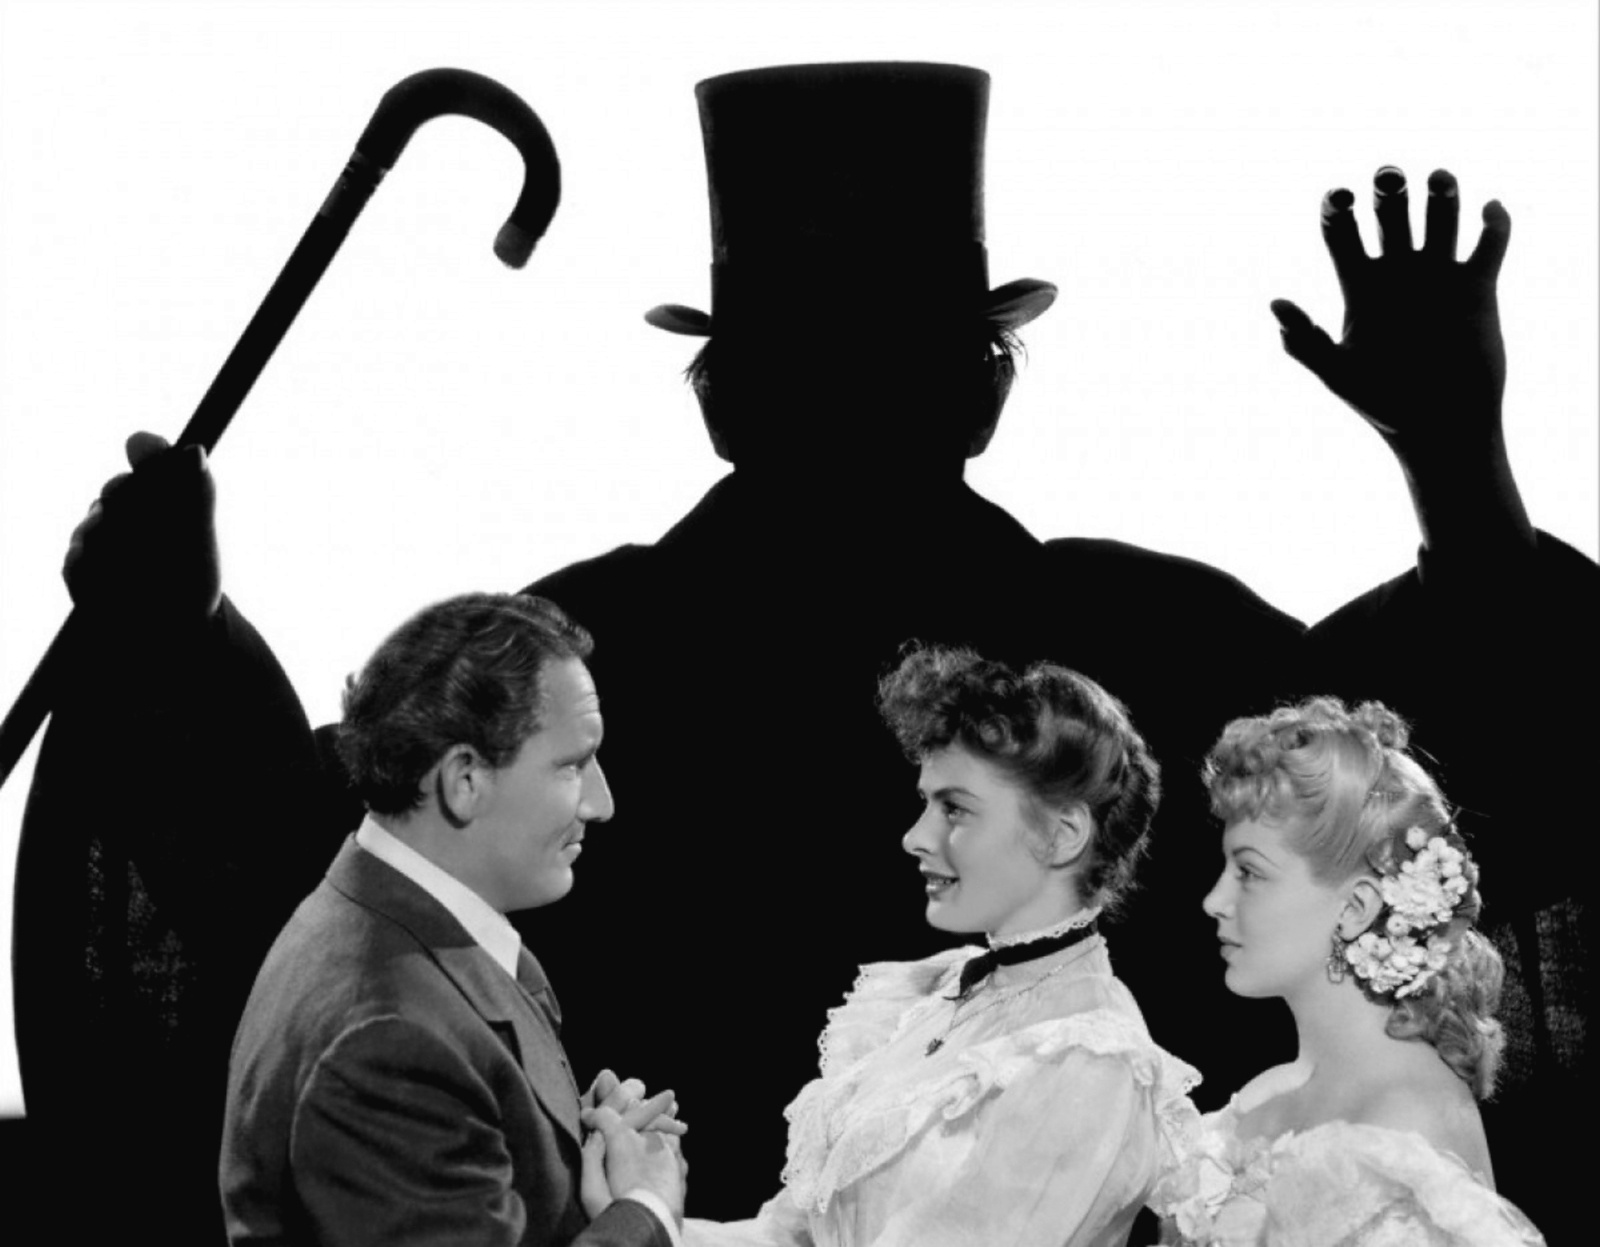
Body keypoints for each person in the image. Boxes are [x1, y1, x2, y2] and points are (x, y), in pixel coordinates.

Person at [12, 61, 1594, 1237]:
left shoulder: (561, 661)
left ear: (718, 395)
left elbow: (274, 880)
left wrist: (175, 639)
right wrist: (1460, 467)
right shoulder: (1152, 641)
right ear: (988, 384)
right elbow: (1478, 788)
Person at [678, 646, 1198, 1247]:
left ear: (1063, 834)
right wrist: (649, 1217)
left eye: (954, 809)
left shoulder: (1086, 1060)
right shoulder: (941, 992)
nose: (914, 837)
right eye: (925, 803)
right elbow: (788, 1239)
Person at [219, 592, 686, 1246]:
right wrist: (645, 1208)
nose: (601, 803)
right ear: (464, 780)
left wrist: (567, 1151)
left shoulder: (387, 915)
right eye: (572, 766)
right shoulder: (384, 1043)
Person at [1148, 697, 1544, 1246]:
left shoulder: (1405, 1120)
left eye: (1249, 872)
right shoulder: (1266, 1096)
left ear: (1356, 907)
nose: (1214, 900)